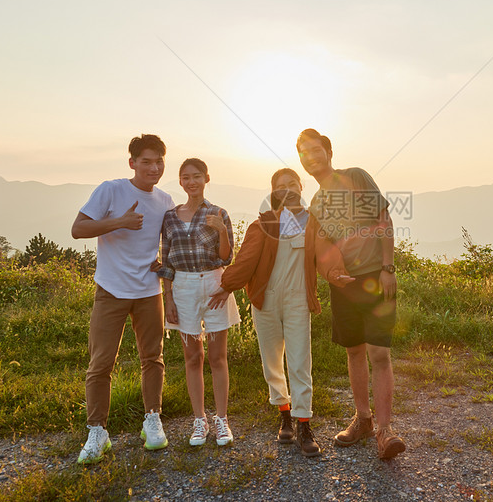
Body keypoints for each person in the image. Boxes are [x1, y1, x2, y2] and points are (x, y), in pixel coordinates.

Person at [207, 168, 353, 457]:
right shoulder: (263, 223)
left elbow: (326, 256)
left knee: (300, 362)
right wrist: (227, 285)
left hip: (299, 299)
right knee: (271, 362)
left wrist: (336, 274)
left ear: (301, 186)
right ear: (273, 192)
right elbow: (247, 259)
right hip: (267, 300)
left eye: (292, 184)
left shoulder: (313, 222)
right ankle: (284, 414)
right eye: (280, 186)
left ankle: (304, 424)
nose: (287, 189)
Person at [296, 128, 406, 460]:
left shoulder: (355, 177)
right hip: (343, 287)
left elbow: (383, 219)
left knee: (379, 354)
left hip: (375, 278)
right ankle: (363, 419)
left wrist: (388, 268)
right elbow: (323, 246)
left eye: (316, 151)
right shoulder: (316, 202)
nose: (311, 158)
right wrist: (329, 274)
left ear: (329, 152)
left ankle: (385, 432)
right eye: (304, 153)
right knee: (355, 352)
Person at [71, 134, 175, 464]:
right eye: (146, 161)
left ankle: (152, 419)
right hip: (112, 289)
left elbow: (170, 242)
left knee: (153, 358)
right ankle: (97, 432)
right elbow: (78, 229)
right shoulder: (111, 189)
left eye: (159, 161)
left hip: (149, 291)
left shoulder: (165, 200)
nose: (153, 167)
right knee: (101, 364)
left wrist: (165, 266)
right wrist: (121, 222)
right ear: (132, 162)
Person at [158, 158, 239, 447]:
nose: (191, 182)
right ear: (180, 181)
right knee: (193, 357)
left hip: (213, 284)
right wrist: (168, 298)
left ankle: (221, 419)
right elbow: (166, 260)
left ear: (206, 178)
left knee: (218, 357)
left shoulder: (219, 213)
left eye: (196, 176)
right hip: (183, 286)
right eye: (185, 177)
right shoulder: (169, 217)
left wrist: (221, 230)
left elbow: (227, 258)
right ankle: (198, 420)